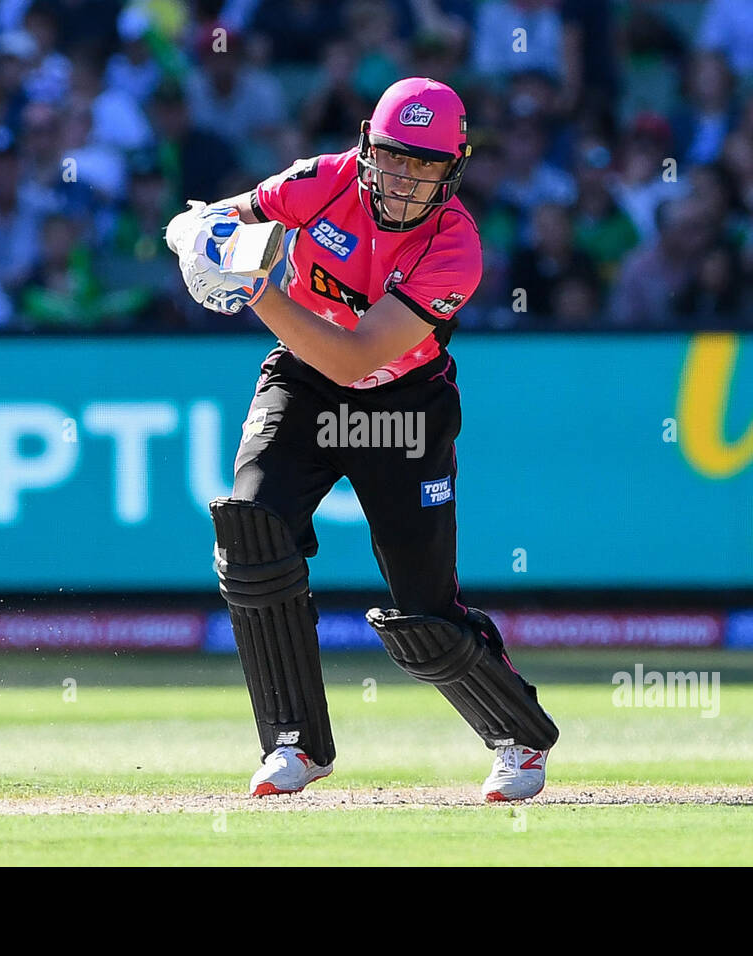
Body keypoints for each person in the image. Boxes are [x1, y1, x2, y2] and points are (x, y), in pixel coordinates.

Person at [165, 78, 559, 801]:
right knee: (252, 535)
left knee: (423, 613)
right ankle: (294, 743)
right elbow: (218, 219)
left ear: (454, 169)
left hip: (404, 406)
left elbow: (355, 358)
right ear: (367, 146)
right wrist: (197, 236)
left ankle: (520, 738)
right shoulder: (321, 180)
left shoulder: (456, 248)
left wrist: (254, 287)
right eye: (396, 157)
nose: (407, 178)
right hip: (303, 387)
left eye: (427, 165)